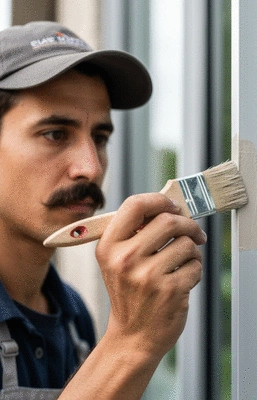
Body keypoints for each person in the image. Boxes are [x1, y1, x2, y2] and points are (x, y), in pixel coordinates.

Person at [0, 21, 206, 399]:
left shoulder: (74, 315)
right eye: (55, 134)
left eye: (100, 137)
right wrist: (131, 341)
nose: (91, 167)